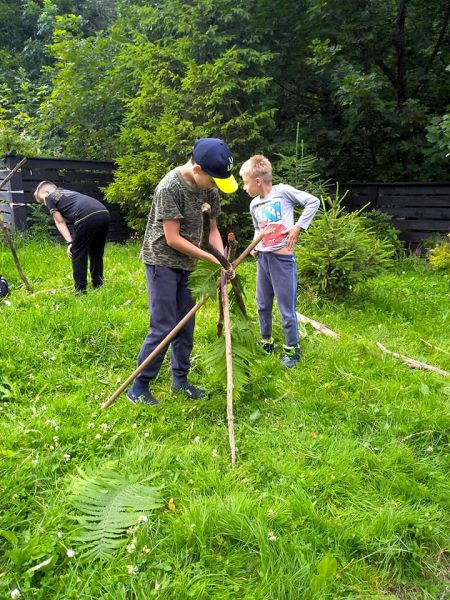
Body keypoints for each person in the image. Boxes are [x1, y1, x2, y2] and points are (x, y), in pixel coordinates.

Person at [126, 137, 238, 406]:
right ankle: (139, 386)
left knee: (186, 324)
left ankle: (180, 380)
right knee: (164, 325)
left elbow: (212, 231)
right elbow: (172, 238)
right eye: (213, 180)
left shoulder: (209, 188)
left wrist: (222, 259)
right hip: (161, 261)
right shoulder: (170, 187)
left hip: (189, 264)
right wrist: (210, 260)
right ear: (198, 169)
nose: (215, 187)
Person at [239, 154, 320, 367]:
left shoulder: (282, 192)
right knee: (263, 303)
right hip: (263, 260)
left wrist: (298, 227)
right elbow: (259, 229)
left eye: (246, 182)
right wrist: (256, 246)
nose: (244, 187)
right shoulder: (254, 205)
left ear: (258, 181)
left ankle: (292, 348)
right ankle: (266, 341)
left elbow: (313, 201)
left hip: (282, 261)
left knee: (286, 307)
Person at [34, 182, 110, 293]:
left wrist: (70, 243)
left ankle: (80, 290)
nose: (45, 204)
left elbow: (60, 222)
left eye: (42, 200)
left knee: (78, 253)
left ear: (46, 192)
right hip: (103, 212)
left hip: (85, 215)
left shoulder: (49, 197)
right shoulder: (68, 193)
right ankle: (98, 285)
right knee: (96, 252)